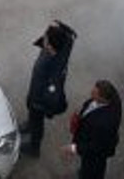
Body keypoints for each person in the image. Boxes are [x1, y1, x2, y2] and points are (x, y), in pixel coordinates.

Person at [21, 21, 77, 158]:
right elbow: (69, 35)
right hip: (35, 89)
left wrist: (39, 105)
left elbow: (52, 91)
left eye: (46, 38)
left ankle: (34, 148)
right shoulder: (63, 43)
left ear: (51, 45)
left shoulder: (55, 68)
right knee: (32, 113)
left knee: (37, 120)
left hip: (39, 99)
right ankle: (30, 124)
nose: (43, 38)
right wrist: (60, 26)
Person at [68, 80, 121, 179]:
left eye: (94, 93)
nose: (91, 92)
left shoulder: (104, 124)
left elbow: (94, 147)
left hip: (95, 154)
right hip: (93, 145)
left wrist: (73, 148)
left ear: (103, 98)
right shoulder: (112, 99)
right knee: (88, 166)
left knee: (92, 170)